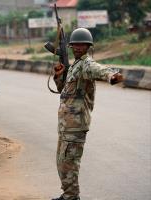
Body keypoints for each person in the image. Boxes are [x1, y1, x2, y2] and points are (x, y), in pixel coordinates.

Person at [52, 28, 123, 200]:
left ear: (88, 46)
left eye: (81, 44)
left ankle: (71, 197)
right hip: (66, 125)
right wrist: (59, 76)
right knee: (62, 163)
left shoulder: (86, 64)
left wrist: (112, 75)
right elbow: (63, 90)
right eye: (75, 44)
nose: (77, 47)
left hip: (75, 125)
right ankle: (68, 195)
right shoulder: (74, 66)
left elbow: (99, 69)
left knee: (70, 164)